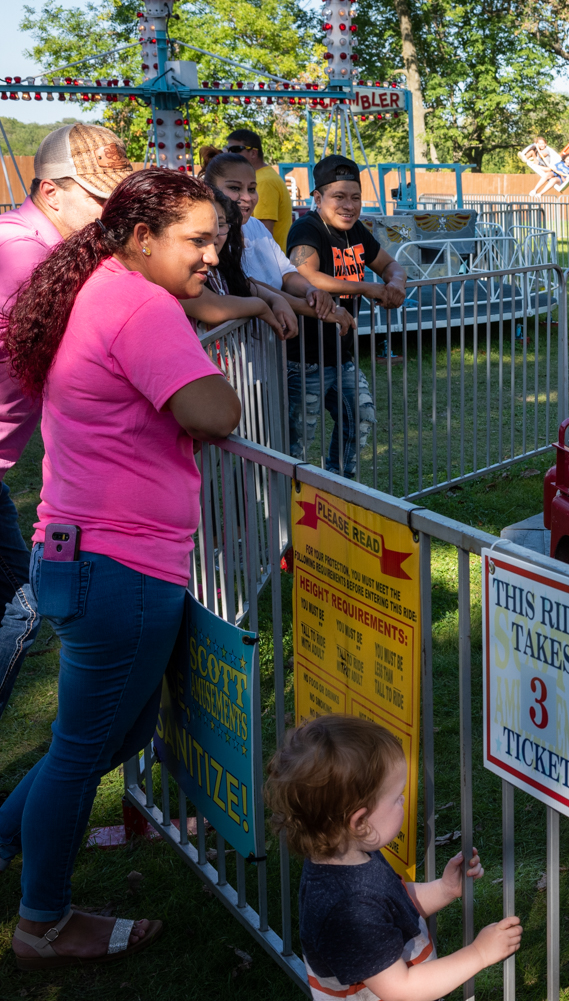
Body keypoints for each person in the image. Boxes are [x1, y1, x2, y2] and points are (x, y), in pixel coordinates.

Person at [0, 168, 241, 968]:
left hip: (81, 554)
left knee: (116, 729)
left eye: (219, 238)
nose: (214, 254)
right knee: (79, 749)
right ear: (142, 238)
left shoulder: (96, 284)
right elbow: (212, 411)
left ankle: (11, 849)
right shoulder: (139, 302)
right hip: (120, 564)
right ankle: (44, 922)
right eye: (198, 240)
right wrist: (219, 385)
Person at [0, 123, 131, 718]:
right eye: (100, 198)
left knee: (17, 601)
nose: (112, 213)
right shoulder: (21, 251)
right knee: (20, 605)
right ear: (52, 192)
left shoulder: (47, 249)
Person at [267, 714, 523, 1000]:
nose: (403, 801)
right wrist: (479, 953)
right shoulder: (349, 909)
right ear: (360, 822)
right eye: (396, 797)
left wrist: (443, 889)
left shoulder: (351, 858)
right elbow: (402, 989)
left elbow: (393, 906)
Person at [286, 155, 408, 476]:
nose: (349, 205)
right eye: (339, 196)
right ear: (317, 198)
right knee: (295, 443)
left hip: (341, 356)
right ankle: (287, 506)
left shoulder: (357, 232)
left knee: (361, 416)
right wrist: (366, 288)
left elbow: (390, 265)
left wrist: (395, 283)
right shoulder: (306, 228)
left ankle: (341, 488)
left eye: (355, 197)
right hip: (303, 359)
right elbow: (307, 276)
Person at [200, 152, 337, 326]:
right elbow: (246, 285)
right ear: (210, 189)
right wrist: (308, 308)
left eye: (251, 189)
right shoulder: (213, 240)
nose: (247, 197)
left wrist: (310, 290)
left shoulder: (256, 226)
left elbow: (286, 273)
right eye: (235, 188)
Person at [181, 190, 297, 338]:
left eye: (221, 224)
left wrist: (275, 299)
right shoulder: (179, 273)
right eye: (202, 225)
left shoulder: (222, 266)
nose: (214, 232)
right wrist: (260, 306)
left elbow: (246, 285)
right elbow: (214, 307)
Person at [226, 127, 293, 250]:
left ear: (253, 153)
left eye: (236, 149)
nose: (230, 154)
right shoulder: (259, 177)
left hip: (268, 263)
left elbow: (263, 233)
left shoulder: (264, 181)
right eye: (228, 150)